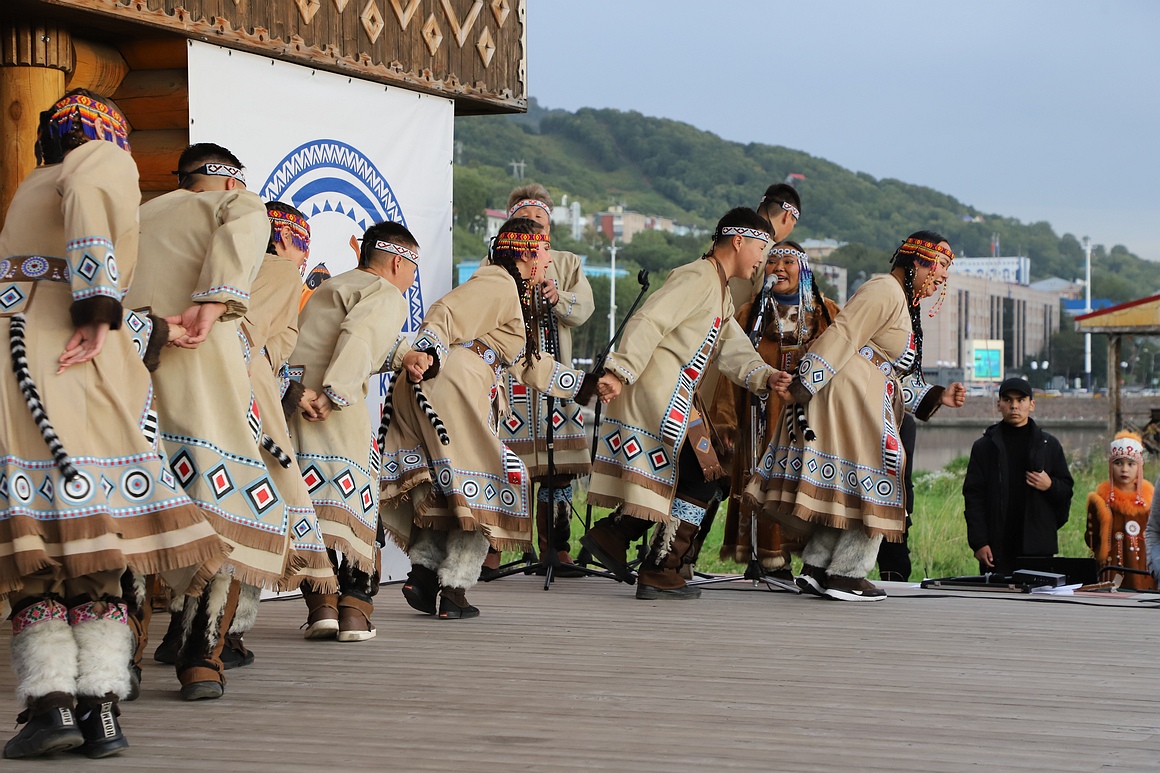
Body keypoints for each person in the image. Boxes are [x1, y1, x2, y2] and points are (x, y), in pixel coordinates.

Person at [0, 90, 226, 758]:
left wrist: (105, 309)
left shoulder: (62, 173)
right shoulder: (89, 164)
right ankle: (98, 711)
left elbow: (66, 253)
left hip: (36, 356)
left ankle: (53, 706)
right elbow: (88, 229)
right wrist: (105, 309)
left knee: (43, 545)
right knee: (91, 546)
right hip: (64, 358)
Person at [127, 142, 291, 700]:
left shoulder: (138, 214)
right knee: (221, 509)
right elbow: (245, 232)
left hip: (134, 375)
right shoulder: (236, 203)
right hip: (205, 371)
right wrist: (215, 300)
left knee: (136, 513)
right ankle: (200, 660)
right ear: (230, 180)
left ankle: (120, 662)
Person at [381, 217, 603, 619]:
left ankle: (424, 573)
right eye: (546, 251)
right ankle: (455, 588)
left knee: (446, 485)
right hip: (452, 385)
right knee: (493, 483)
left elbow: (527, 365)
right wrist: (429, 353)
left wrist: (585, 386)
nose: (550, 260)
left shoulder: (508, 293)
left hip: (435, 386)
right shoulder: (498, 282)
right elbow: (444, 311)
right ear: (527, 253)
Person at [581, 208, 791, 600]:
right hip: (656, 389)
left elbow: (730, 346)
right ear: (739, 241)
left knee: (702, 474)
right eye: (762, 247)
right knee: (703, 475)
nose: (763, 259)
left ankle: (617, 538)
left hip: (673, 393)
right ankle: (659, 566)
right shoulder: (696, 277)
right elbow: (649, 320)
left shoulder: (718, 288)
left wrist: (765, 376)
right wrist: (619, 370)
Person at [748, 231, 967, 601]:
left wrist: (937, 396)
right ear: (917, 261)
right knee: (881, 475)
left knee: (851, 487)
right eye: (941, 266)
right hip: (851, 395)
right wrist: (806, 383)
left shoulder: (900, 300)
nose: (943, 277)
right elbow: (844, 334)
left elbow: (894, 372)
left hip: (864, 394)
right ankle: (848, 574)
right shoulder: (884, 289)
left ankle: (818, 567)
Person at [287, 221, 415, 642]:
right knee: (359, 509)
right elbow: (359, 336)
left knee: (309, 506)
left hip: (295, 402)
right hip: (333, 408)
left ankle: (321, 607)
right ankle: (355, 613)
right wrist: (336, 392)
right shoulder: (385, 293)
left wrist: (403, 354)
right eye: (412, 269)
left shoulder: (332, 287)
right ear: (399, 262)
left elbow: (322, 340)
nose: (412, 279)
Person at [222, 202, 334, 664]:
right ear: (284, 239)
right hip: (245, 399)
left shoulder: (233, 264)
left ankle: (188, 635)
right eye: (302, 243)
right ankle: (221, 636)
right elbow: (241, 340)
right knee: (265, 506)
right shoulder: (279, 270)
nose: (304, 255)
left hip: (231, 389)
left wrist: (290, 387)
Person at [709, 240, 841, 582]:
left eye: (788, 262)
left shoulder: (825, 313)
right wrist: (725, 419)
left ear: (804, 270)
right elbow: (729, 374)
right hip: (759, 417)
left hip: (808, 421)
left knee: (805, 484)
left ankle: (815, 562)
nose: (778, 268)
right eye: (771, 262)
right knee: (761, 483)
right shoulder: (748, 314)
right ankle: (770, 560)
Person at [483, 184, 595, 578]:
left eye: (540, 222)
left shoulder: (565, 262)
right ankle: (494, 552)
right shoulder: (493, 262)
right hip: (511, 381)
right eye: (525, 221)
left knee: (557, 470)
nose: (533, 226)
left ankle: (556, 548)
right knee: (505, 466)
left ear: (550, 228)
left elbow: (584, 308)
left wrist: (557, 296)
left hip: (553, 379)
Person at [963, 377, 1073, 577]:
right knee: (995, 604)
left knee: (1039, 605)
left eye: (1021, 400)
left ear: (1032, 404)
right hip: (997, 547)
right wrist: (979, 542)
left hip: (1038, 547)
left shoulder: (1049, 445)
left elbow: (1066, 491)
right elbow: (973, 497)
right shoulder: (984, 447)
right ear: (999, 404)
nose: (1014, 406)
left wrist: (1050, 486)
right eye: (1007, 400)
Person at [1086, 432, 1154, 590]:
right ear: (1111, 465)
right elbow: (1092, 541)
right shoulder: (1101, 502)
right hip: (1112, 573)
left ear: (1139, 467)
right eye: (1118, 463)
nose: (1124, 469)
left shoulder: (1150, 502)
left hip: (1145, 573)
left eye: (1131, 464)